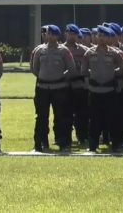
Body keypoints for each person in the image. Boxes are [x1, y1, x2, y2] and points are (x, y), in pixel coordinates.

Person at [81, 26, 123, 152]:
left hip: (110, 91)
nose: (101, 38)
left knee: (112, 119)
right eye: (99, 35)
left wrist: (113, 73)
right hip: (95, 91)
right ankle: (93, 145)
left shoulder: (115, 53)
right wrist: (92, 74)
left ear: (109, 38)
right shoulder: (89, 53)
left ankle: (116, 144)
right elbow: (83, 70)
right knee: (94, 120)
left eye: (104, 36)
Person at [30, 24, 76, 152]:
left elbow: (71, 69)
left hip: (59, 88)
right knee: (41, 117)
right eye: (48, 33)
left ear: (57, 36)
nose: (49, 36)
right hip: (42, 88)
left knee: (61, 116)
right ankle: (40, 143)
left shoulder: (63, 51)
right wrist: (44, 76)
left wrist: (60, 77)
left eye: (52, 34)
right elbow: (35, 68)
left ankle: (63, 143)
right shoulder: (39, 50)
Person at [64, 24, 89, 146]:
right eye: (70, 33)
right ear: (66, 34)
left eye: (74, 34)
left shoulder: (83, 50)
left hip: (80, 85)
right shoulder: (61, 49)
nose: (72, 36)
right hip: (65, 85)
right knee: (65, 113)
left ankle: (82, 136)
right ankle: (65, 137)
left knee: (81, 114)